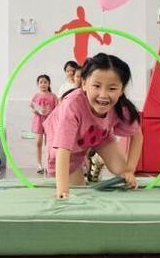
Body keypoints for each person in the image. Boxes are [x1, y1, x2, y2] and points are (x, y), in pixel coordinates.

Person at [43, 53, 143, 199]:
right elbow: (63, 150)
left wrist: (130, 170)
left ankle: (96, 160)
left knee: (123, 173)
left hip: (100, 136)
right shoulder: (72, 105)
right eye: (96, 86)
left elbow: (137, 135)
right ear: (84, 84)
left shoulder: (122, 108)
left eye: (112, 88)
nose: (103, 95)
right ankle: (87, 166)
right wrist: (62, 191)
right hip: (66, 149)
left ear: (122, 89)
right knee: (78, 190)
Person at [30, 74, 58, 173]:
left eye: (45, 82)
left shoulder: (53, 96)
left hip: (50, 121)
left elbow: (57, 109)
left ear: (49, 83)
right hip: (38, 121)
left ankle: (49, 164)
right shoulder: (36, 96)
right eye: (41, 82)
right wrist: (37, 111)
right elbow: (32, 107)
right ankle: (39, 165)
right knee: (38, 142)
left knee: (50, 144)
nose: (43, 84)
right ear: (38, 84)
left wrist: (49, 111)